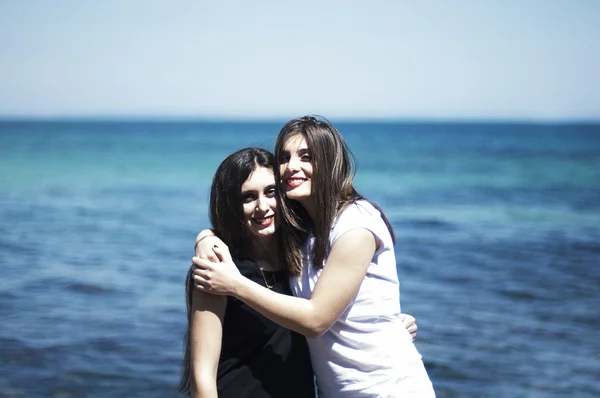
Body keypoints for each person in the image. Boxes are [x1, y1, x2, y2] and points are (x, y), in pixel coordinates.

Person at [192, 116, 435, 397]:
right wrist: (206, 237)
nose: (291, 166)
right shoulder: (302, 233)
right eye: (284, 157)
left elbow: (316, 319)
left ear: (329, 162)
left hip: (387, 389)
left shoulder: (355, 224)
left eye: (306, 156)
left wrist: (234, 284)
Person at [179, 148, 315, 398]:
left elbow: (328, 311)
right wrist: (206, 237)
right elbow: (202, 377)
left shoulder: (301, 259)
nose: (263, 207)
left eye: (271, 192)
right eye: (248, 197)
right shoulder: (218, 268)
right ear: (231, 205)